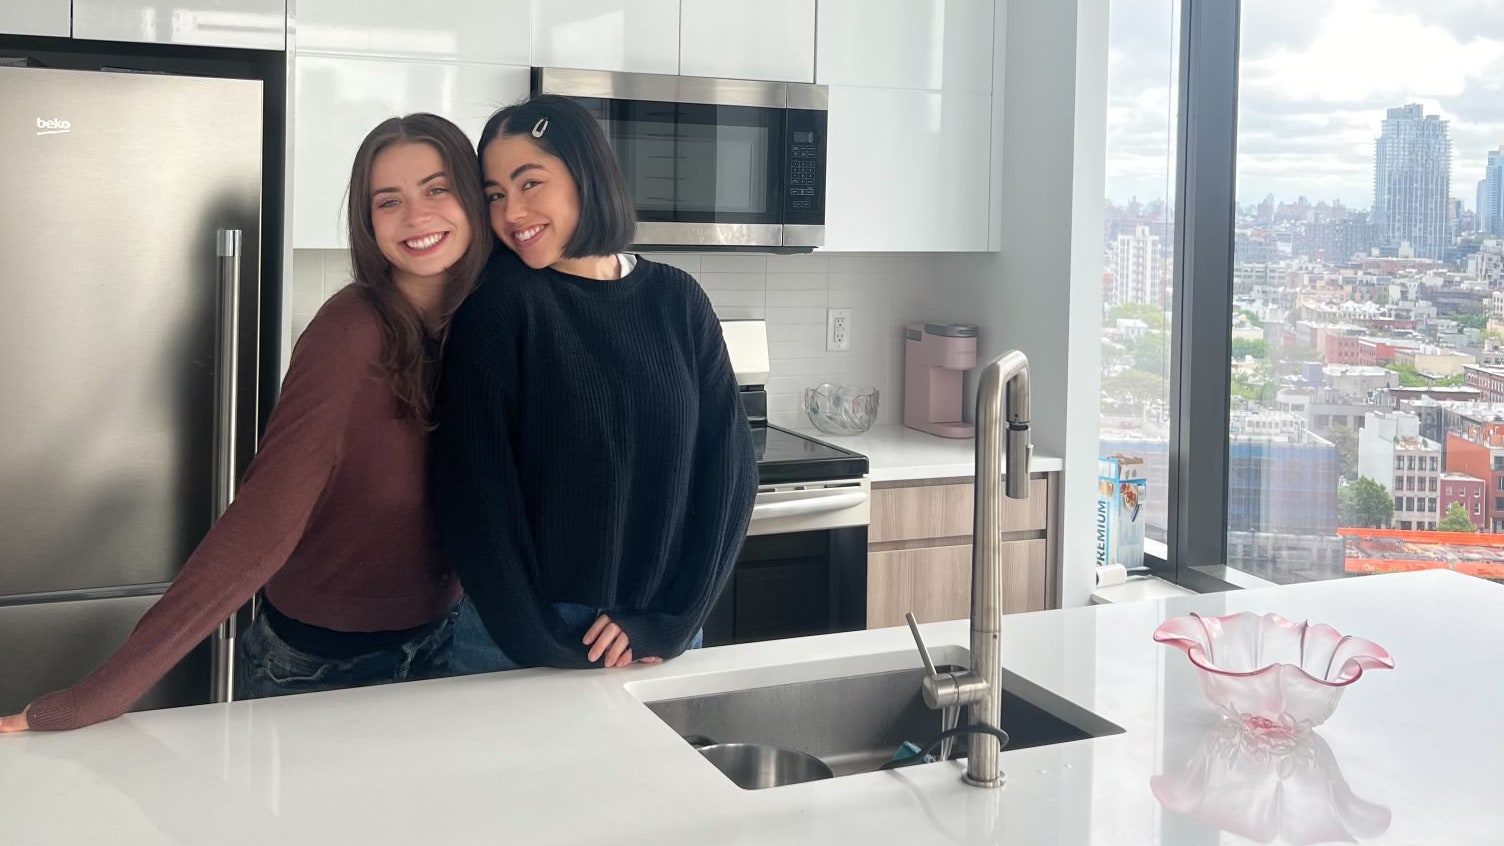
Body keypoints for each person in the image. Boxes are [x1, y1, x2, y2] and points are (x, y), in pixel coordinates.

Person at [0, 113, 492, 732]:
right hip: (328, 663)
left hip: (447, 638)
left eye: (437, 188)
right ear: (369, 224)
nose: (417, 216)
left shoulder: (489, 318)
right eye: (388, 200)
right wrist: (94, 697)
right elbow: (263, 523)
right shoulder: (348, 334)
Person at [433, 95, 757, 671]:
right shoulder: (499, 306)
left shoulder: (679, 300)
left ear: (586, 174)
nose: (511, 213)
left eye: (530, 183)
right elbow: (473, 501)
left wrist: (676, 620)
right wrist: (548, 645)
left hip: (655, 634)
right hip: (522, 640)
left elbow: (730, 472)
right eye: (495, 195)